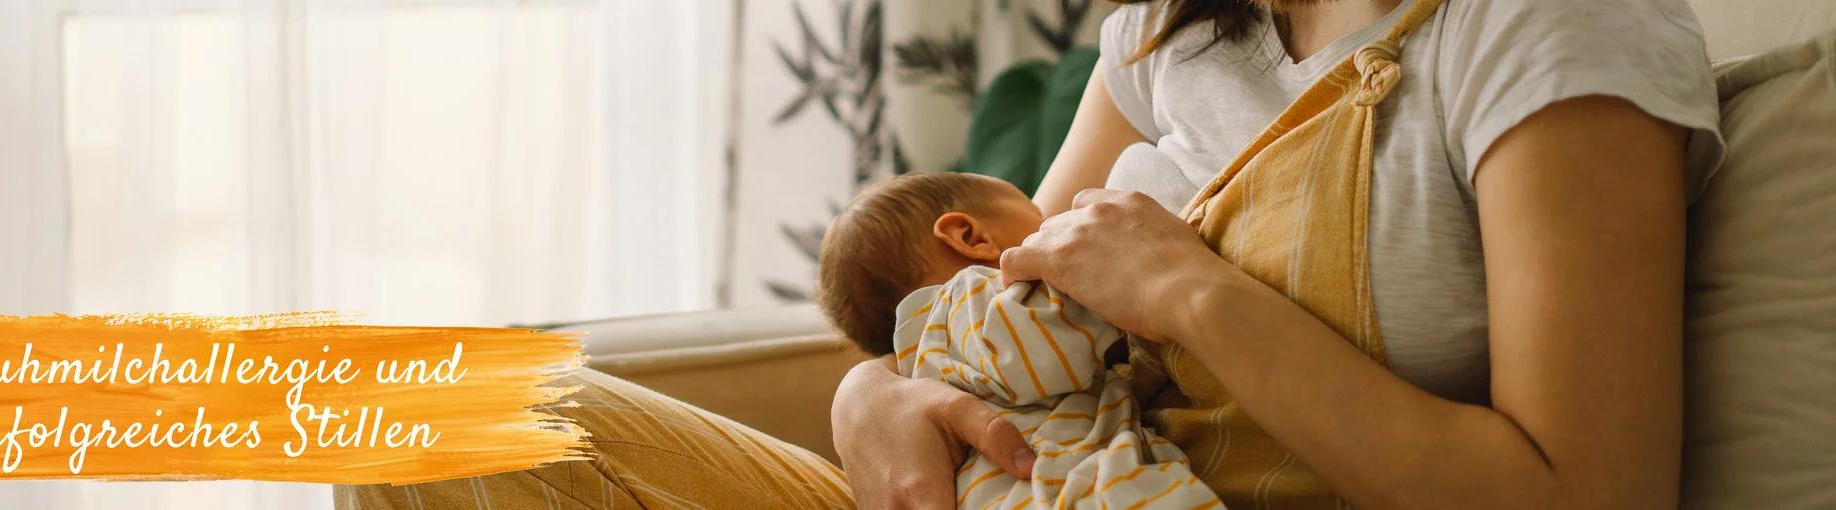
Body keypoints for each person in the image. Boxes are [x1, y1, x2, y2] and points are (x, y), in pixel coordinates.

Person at [337, 0, 1721, 507]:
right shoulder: (1167, 31)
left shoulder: (1541, 30)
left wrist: (1194, 292)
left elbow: (1586, 490)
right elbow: (998, 295)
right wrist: (866, 397)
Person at [813, 172, 1222, 508]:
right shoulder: (969, 300)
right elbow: (1043, 348)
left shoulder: (931, 359)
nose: (1056, 229)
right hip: (1052, 484)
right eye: (1042, 219)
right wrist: (1122, 283)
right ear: (970, 237)